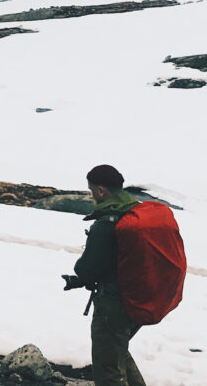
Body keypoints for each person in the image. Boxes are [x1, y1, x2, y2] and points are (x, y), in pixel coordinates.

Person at [68, 164, 146, 386]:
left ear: (101, 191)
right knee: (117, 352)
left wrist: (80, 274)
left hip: (113, 306)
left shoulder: (106, 223)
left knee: (108, 370)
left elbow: (87, 267)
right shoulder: (135, 210)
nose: (91, 196)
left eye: (91, 191)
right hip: (137, 300)